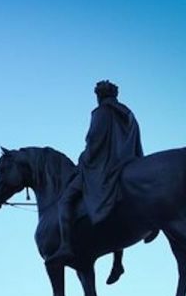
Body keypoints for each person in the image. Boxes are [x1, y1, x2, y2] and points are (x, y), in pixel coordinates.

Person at [46, 80, 143, 278]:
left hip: (103, 167)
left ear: (99, 95)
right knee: (116, 206)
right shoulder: (129, 115)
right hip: (126, 164)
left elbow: (94, 141)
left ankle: (65, 246)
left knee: (65, 200)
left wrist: (83, 159)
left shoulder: (101, 113)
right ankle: (118, 262)